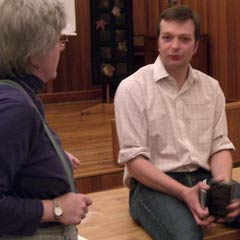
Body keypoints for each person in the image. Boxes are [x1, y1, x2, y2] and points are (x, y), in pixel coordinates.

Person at [114, 5, 240, 240]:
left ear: (196, 45)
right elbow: (134, 162)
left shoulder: (211, 88)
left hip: (204, 178)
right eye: (168, 38)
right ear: (158, 42)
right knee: (186, 236)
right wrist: (185, 193)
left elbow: (219, 146)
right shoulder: (133, 88)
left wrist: (223, 189)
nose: (175, 46)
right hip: (154, 185)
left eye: (184, 39)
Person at [0, 0, 92, 239]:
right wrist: (57, 209)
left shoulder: (14, 93)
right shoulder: (16, 109)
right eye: (58, 40)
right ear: (34, 54)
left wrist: (48, 157)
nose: (61, 48)